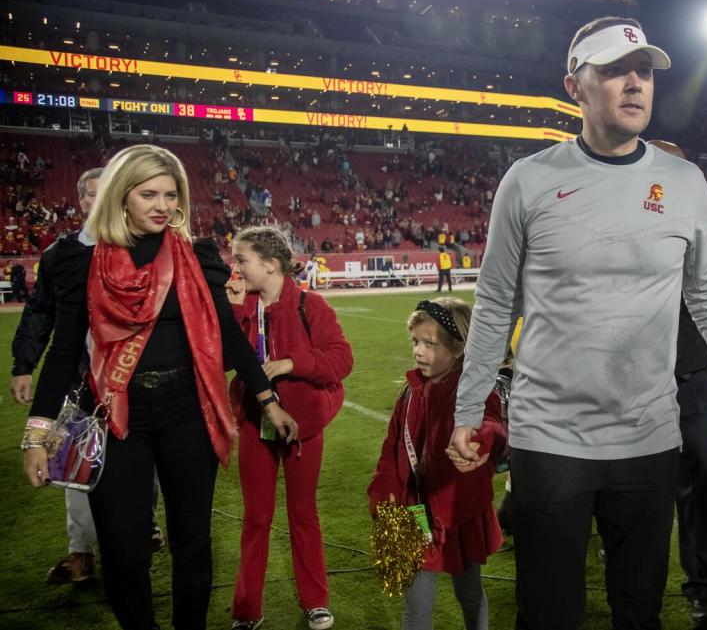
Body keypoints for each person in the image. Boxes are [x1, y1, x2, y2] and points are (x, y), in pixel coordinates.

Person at [448, 17, 707, 630]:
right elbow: (494, 304)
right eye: (615, 70)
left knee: (639, 612)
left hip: (649, 440)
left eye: (644, 71)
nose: (634, 83)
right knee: (548, 615)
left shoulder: (684, 183)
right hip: (550, 442)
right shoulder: (527, 181)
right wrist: (469, 411)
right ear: (575, 86)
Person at [21, 144, 299, 630]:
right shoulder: (77, 261)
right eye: (148, 193)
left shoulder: (196, 256)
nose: (163, 205)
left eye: (171, 195)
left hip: (187, 413)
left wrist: (267, 398)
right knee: (124, 553)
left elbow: (229, 337)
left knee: (192, 545)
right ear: (120, 195)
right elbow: (64, 351)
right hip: (114, 419)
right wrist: (37, 433)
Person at [226, 226, 353, 630]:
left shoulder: (310, 305)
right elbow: (222, 362)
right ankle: (247, 610)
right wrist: (235, 313)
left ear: (270, 264)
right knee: (256, 517)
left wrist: (292, 363)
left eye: (242, 259)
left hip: (304, 427)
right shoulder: (240, 303)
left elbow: (341, 359)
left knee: (303, 513)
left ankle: (315, 601)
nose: (236, 267)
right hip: (254, 423)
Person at [368, 298, 506, 630]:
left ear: (459, 348)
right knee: (416, 607)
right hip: (412, 512)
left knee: (469, 592)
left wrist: (480, 441)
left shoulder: (472, 391)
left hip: (459, 513)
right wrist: (384, 488)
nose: (418, 351)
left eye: (429, 344)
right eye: (415, 341)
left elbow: (494, 426)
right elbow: (391, 448)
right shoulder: (409, 391)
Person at [648, 140, 707, 630]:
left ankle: (705, 593)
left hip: (688, 374)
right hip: (628, 376)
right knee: (632, 488)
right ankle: (635, 589)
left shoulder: (701, 225)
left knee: (700, 483)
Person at [11, 168, 102, 584]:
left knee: (139, 465)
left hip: (132, 381)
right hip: (79, 380)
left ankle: (144, 525)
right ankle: (80, 552)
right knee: (73, 465)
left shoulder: (143, 250)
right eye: (92, 195)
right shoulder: (60, 254)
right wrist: (24, 365)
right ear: (81, 201)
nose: (99, 202)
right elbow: (40, 312)